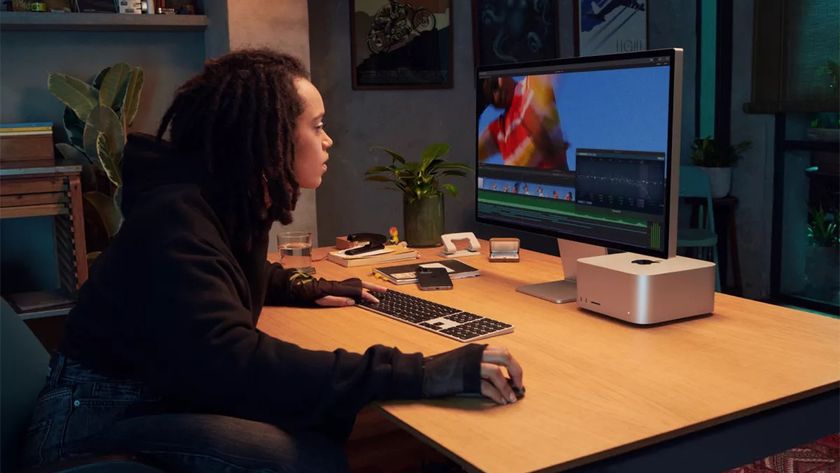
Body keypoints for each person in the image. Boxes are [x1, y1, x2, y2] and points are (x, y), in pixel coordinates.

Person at [22, 49, 524, 473]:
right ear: (265, 137)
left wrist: (297, 285)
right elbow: (234, 363)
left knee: (328, 422)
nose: (328, 141)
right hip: (88, 426)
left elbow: (211, 277)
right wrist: (422, 372)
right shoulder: (174, 219)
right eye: (318, 126)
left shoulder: (219, 202)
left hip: (148, 393)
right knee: (307, 456)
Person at [478, 74, 570, 171]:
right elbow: (469, 153)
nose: (496, 95)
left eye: (494, 85)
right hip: (523, 184)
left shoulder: (531, 82)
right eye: (490, 99)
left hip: (554, 182)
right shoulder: (498, 130)